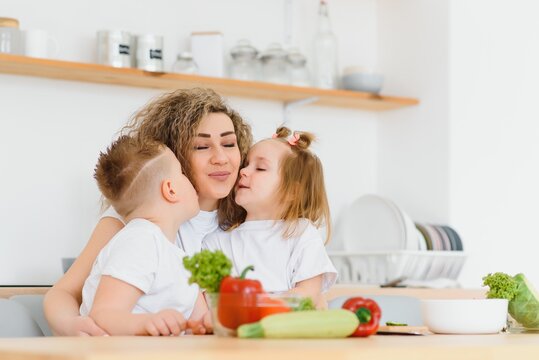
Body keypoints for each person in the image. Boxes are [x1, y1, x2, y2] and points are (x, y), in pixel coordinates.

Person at [44, 88, 253, 336]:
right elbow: (64, 293)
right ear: (175, 157)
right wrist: (71, 325)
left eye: (229, 144)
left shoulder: (246, 215)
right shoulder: (136, 224)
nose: (221, 158)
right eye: (201, 147)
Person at [82, 136, 208, 336]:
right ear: (171, 190)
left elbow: (199, 323)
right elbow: (103, 315)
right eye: (182, 173)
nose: (190, 179)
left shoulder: (179, 256)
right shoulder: (140, 240)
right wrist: (147, 323)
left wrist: (212, 321)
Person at [203, 126, 337, 307]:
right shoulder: (215, 242)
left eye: (260, 168)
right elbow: (214, 303)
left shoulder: (302, 233)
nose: (243, 171)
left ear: (292, 192)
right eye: (246, 164)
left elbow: (307, 295)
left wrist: (255, 305)